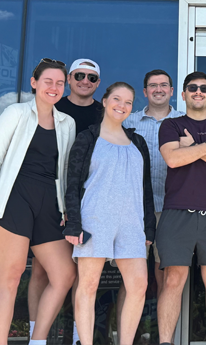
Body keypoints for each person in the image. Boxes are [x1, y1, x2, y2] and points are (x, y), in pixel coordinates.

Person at [0, 58, 77, 345]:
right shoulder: (15, 113)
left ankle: (37, 340)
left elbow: (65, 170)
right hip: (14, 198)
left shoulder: (66, 123)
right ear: (34, 83)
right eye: (48, 81)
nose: (54, 87)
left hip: (49, 203)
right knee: (10, 276)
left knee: (64, 275)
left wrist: (66, 209)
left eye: (60, 83)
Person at [63, 82, 156, 345]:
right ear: (104, 101)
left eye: (128, 102)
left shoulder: (138, 142)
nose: (122, 106)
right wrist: (74, 224)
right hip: (95, 219)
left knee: (138, 286)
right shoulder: (88, 138)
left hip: (131, 224)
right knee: (88, 286)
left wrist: (149, 228)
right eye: (117, 99)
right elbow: (73, 184)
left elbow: (145, 188)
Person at [157, 71, 206, 345]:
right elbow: (172, 159)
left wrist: (192, 148)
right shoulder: (171, 125)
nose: (198, 91)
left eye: (204, 88)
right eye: (192, 88)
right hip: (177, 211)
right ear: (183, 94)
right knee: (172, 280)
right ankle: (166, 342)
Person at [29, 57, 103, 344]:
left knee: (83, 272)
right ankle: (38, 336)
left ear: (98, 83)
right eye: (80, 75)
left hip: (91, 198)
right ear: (69, 79)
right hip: (51, 195)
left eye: (92, 78)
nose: (85, 81)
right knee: (41, 270)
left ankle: (77, 336)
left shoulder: (104, 112)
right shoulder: (53, 106)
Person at [118, 69, 184, 340]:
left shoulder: (185, 121)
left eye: (163, 85)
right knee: (130, 278)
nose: (158, 89)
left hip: (172, 210)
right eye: (152, 86)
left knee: (165, 278)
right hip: (135, 211)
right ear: (144, 91)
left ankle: (162, 338)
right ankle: (124, 338)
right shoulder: (128, 122)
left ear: (172, 91)